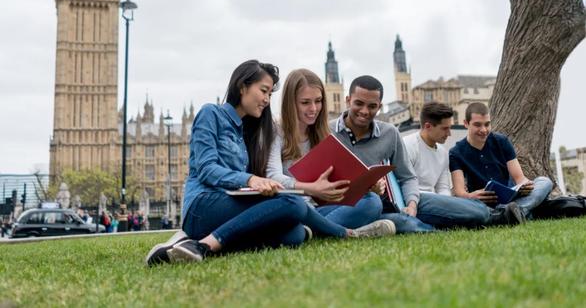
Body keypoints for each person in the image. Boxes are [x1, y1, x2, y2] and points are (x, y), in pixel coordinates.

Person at [146, 61, 393, 267]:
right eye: (263, 91)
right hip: (202, 204)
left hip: (231, 207)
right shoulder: (211, 113)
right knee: (292, 203)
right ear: (243, 87)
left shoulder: (248, 131)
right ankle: (201, 245)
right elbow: (208, 169)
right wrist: (251, 180)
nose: (266, 99)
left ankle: (186, 244)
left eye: (270, 93)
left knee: (295, 233)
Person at [266, 68, 388, 233]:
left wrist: (365, 185)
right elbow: (272, 177)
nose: (314, 109)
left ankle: (316, 230)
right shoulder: (276, 130)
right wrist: (311, 188)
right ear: (291, 102)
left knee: (372, 201)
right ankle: (336, 231)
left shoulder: (322, 132)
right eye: (305, 102)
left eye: (318, 101)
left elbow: (334, 182)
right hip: (294, 209)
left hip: (320, 209)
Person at [329, 75, 433, 233]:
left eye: (372, 106)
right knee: (399, 220)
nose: (364, 111)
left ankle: (355, 228)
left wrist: (411, 205)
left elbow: (407, 176)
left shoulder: (390, 133)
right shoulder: (326, 131)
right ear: (348, 100)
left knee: (473, 212)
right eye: (358, 104)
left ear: (380, 106)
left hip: (378, 205)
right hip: (338, 206)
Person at [403, 101, 523, 228]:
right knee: (479, 209)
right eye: (445, 129)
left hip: (436, 202)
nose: (449, 134)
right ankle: (500, 216)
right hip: (417, 201)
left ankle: (499, 214)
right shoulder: (408, 145)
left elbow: (443, 188)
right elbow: (405, 182)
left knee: (474, 206)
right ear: (428, 126)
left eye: (450, 128)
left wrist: (449, 205)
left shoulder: (443, 153)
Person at [449, 102, 553, 221]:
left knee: (544, 181)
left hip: (512, 200)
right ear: (466, 124)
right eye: (478, 125)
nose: (483, 130)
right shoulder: (456, 152)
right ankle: (520, 212)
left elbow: (519, 178)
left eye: (487, 124)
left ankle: (513, 212)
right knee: (471, 209)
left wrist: (525, 184)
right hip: (482, 204)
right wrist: (471, 196)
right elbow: (459, 192)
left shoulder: (501, 141)